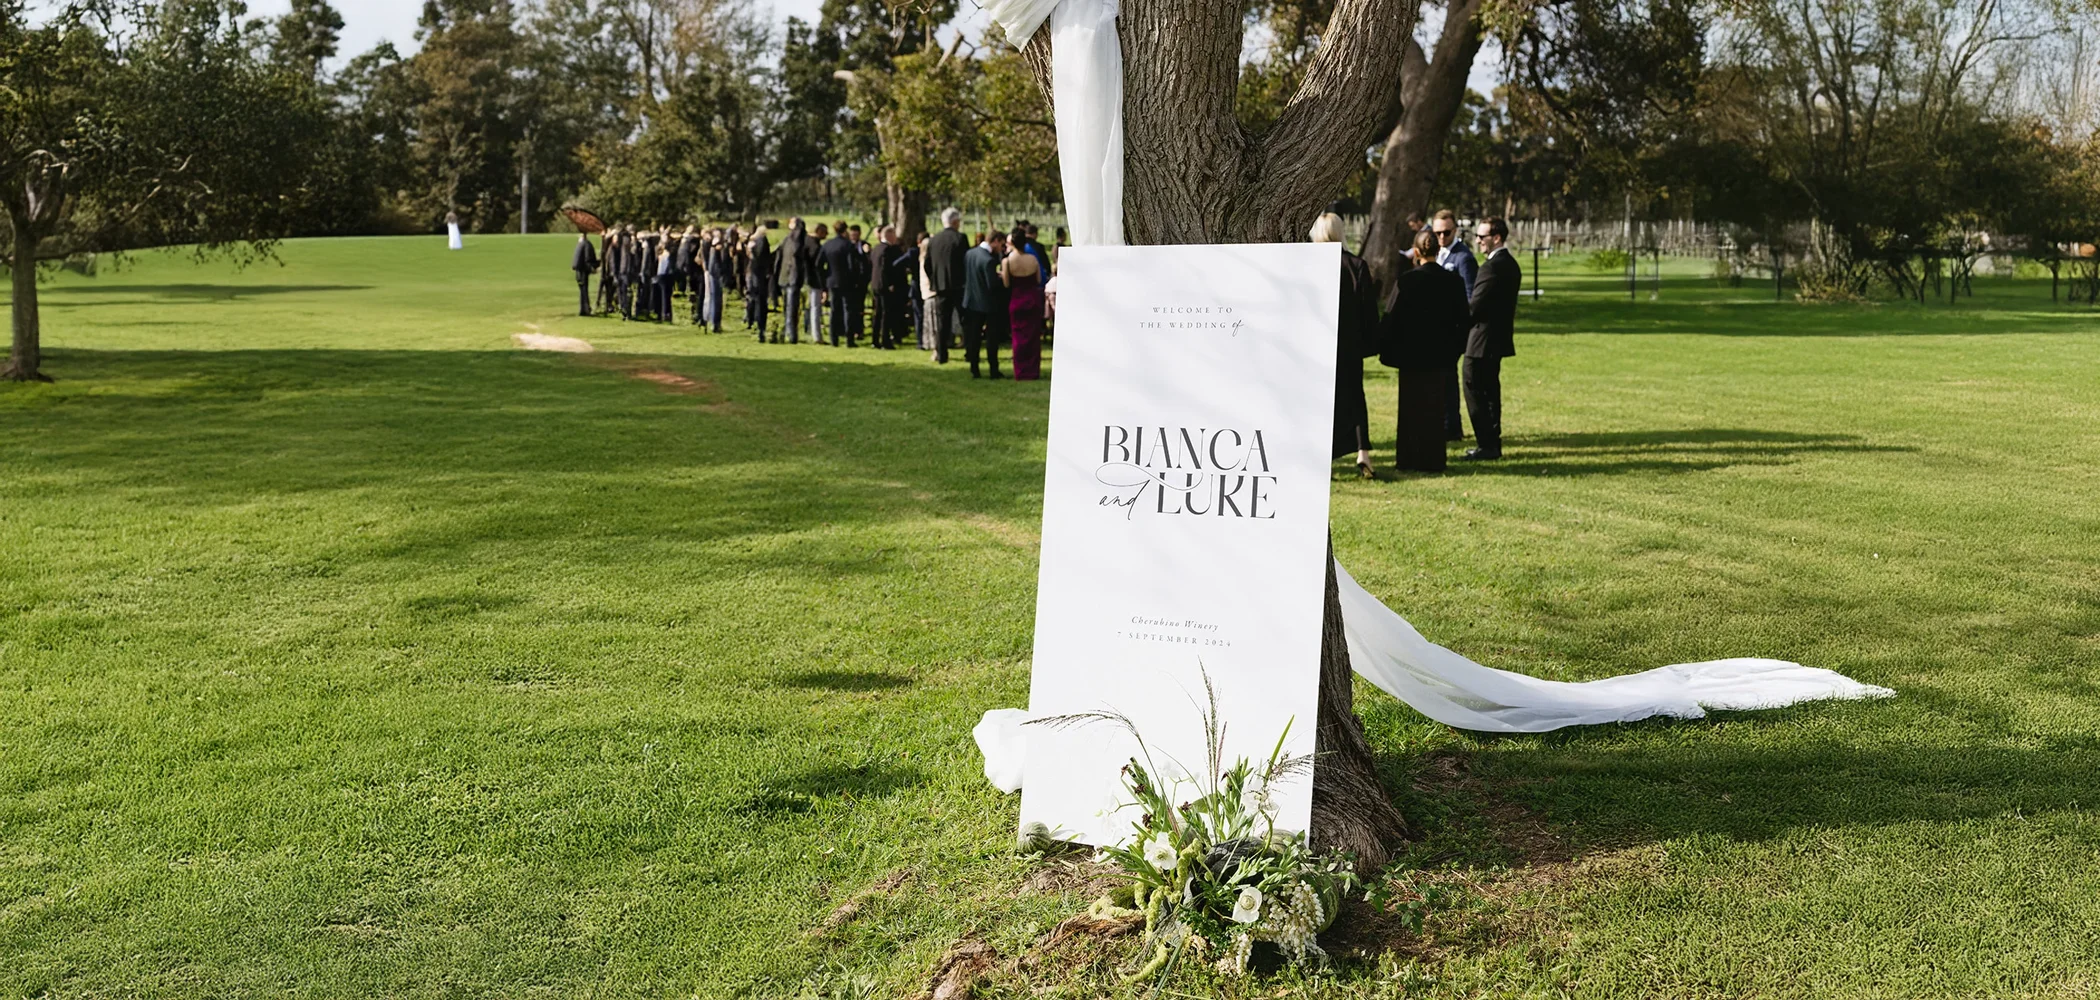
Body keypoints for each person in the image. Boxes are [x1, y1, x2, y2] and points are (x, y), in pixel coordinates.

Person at [1379, 229, 1470, 472]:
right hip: (1440, 355)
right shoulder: (1453, 281)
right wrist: (1455, 349)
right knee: (1435, 409)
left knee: (1410, 409)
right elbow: (1464, 319)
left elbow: (1391, 319)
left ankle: (1408, 459)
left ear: (1416, 252)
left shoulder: (1407, 281)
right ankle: (1433, 460)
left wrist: (1386, 348)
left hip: (1411, 355)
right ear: (1438, 251)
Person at [1312, 213, 1377, 478]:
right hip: (1349, 344)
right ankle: (1363, 452)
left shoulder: (1310, 266)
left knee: (1318, 400)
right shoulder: (1356, 265)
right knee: (1355, 396)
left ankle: (1321, 455)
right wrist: (1369, 342)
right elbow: (1368, 311)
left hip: (1317, 344)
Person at [1462, 216, 1520, 461]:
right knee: (1490, 391)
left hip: (1481, 339)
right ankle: (1492, 443)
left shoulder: (1491, 267)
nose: (1477, 241)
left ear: (1496, 238)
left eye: (1481, 237)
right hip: (1497, 338)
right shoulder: (1511, 264)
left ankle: (1486, 444)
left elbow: (1474, 307)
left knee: (1474, 389)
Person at [1431, 209, 1477, 440]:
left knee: (1449, 380)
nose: (1441, 237)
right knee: (1442, 379)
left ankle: (1452, 427)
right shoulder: (1439, 254)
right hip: (1439, 328)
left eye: (1446, 232)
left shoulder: (1463, 257)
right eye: (1436, 232)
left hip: (1453, 330)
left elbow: (1471, 296)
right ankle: (1445, 423)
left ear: (1455, 230)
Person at [962, 229, 1009, 379]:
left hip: (971, 301)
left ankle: (974, 368)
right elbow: (992, 285)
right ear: (994, 241)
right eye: (1001, 244)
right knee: (991, 338)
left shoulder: (970, 254)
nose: (1001, 248)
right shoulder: (988, 260)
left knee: (974, 337)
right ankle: (993, 369)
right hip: (988, 304)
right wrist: (1002, 279)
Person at [925, 207, 969, 365]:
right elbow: (966, 261)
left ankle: (942, 354)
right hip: (959, 285)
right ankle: (970, 352)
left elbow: (927, 264)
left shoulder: (934, 239)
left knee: (942, 322)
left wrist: (934, 279)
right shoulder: (960, 238)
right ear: (955, 222)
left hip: (941, 286)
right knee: (965, 319)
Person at [1001, 233, 1045, 380]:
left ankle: (1020, 371)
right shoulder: (1033, 259)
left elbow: (1006, 284)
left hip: (1017, 299)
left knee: (1018, 337)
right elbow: (1039, 279)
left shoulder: (1007, 261)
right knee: (1033, 337)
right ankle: (1033, 371)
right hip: (1032, 298)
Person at [818, 220, 861, 348]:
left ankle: (834, 338)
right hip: (847, 281)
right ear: (845, 230)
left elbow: (818, 264)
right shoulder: (848, 245)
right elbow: (852, 265)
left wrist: (826, 277)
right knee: (848, 309)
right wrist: (855, 279)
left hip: (832, 280)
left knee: (834, 310)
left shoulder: (827, 245)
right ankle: (849, 339)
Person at [869, 225, 908, 350]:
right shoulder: (887, 250)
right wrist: (890, 283)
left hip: (875, 284)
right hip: (884, 286)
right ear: (890, 236)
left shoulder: (876, 248)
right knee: (886, 313)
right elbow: (885, 269)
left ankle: (875, 339)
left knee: (878, 313)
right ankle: (885, 340)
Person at [776, 218, 808, 343]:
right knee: (791, 308)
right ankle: (790, 334)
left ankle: (789, 334)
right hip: (791, 277)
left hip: (788, 276)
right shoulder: (797, 239)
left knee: (789, 308)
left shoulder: (791, 239)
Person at [747, 225, 774, 340]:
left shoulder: (752, 243)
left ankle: (751, 321)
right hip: (759, 275)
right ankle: (759, 326)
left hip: (753, 274)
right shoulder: (762, 242)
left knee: (753, 298)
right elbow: (762, 258)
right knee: (761, 301)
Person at [705, 229, 732, 332]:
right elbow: (716, 266)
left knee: (715, 299)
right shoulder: (716, 250)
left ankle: (714, 323)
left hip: (715, 275)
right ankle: (715, 324)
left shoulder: (714, 250)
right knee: (716, 300)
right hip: (716, 276)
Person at [570, 233, 599, 317]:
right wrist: (592, 269)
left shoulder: (580, 244)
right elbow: (587, 259)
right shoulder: (586, 244)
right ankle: (586, 309)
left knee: (582, 290)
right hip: (582, 270)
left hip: (579, 270)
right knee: (584, 290)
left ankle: (583, 309)